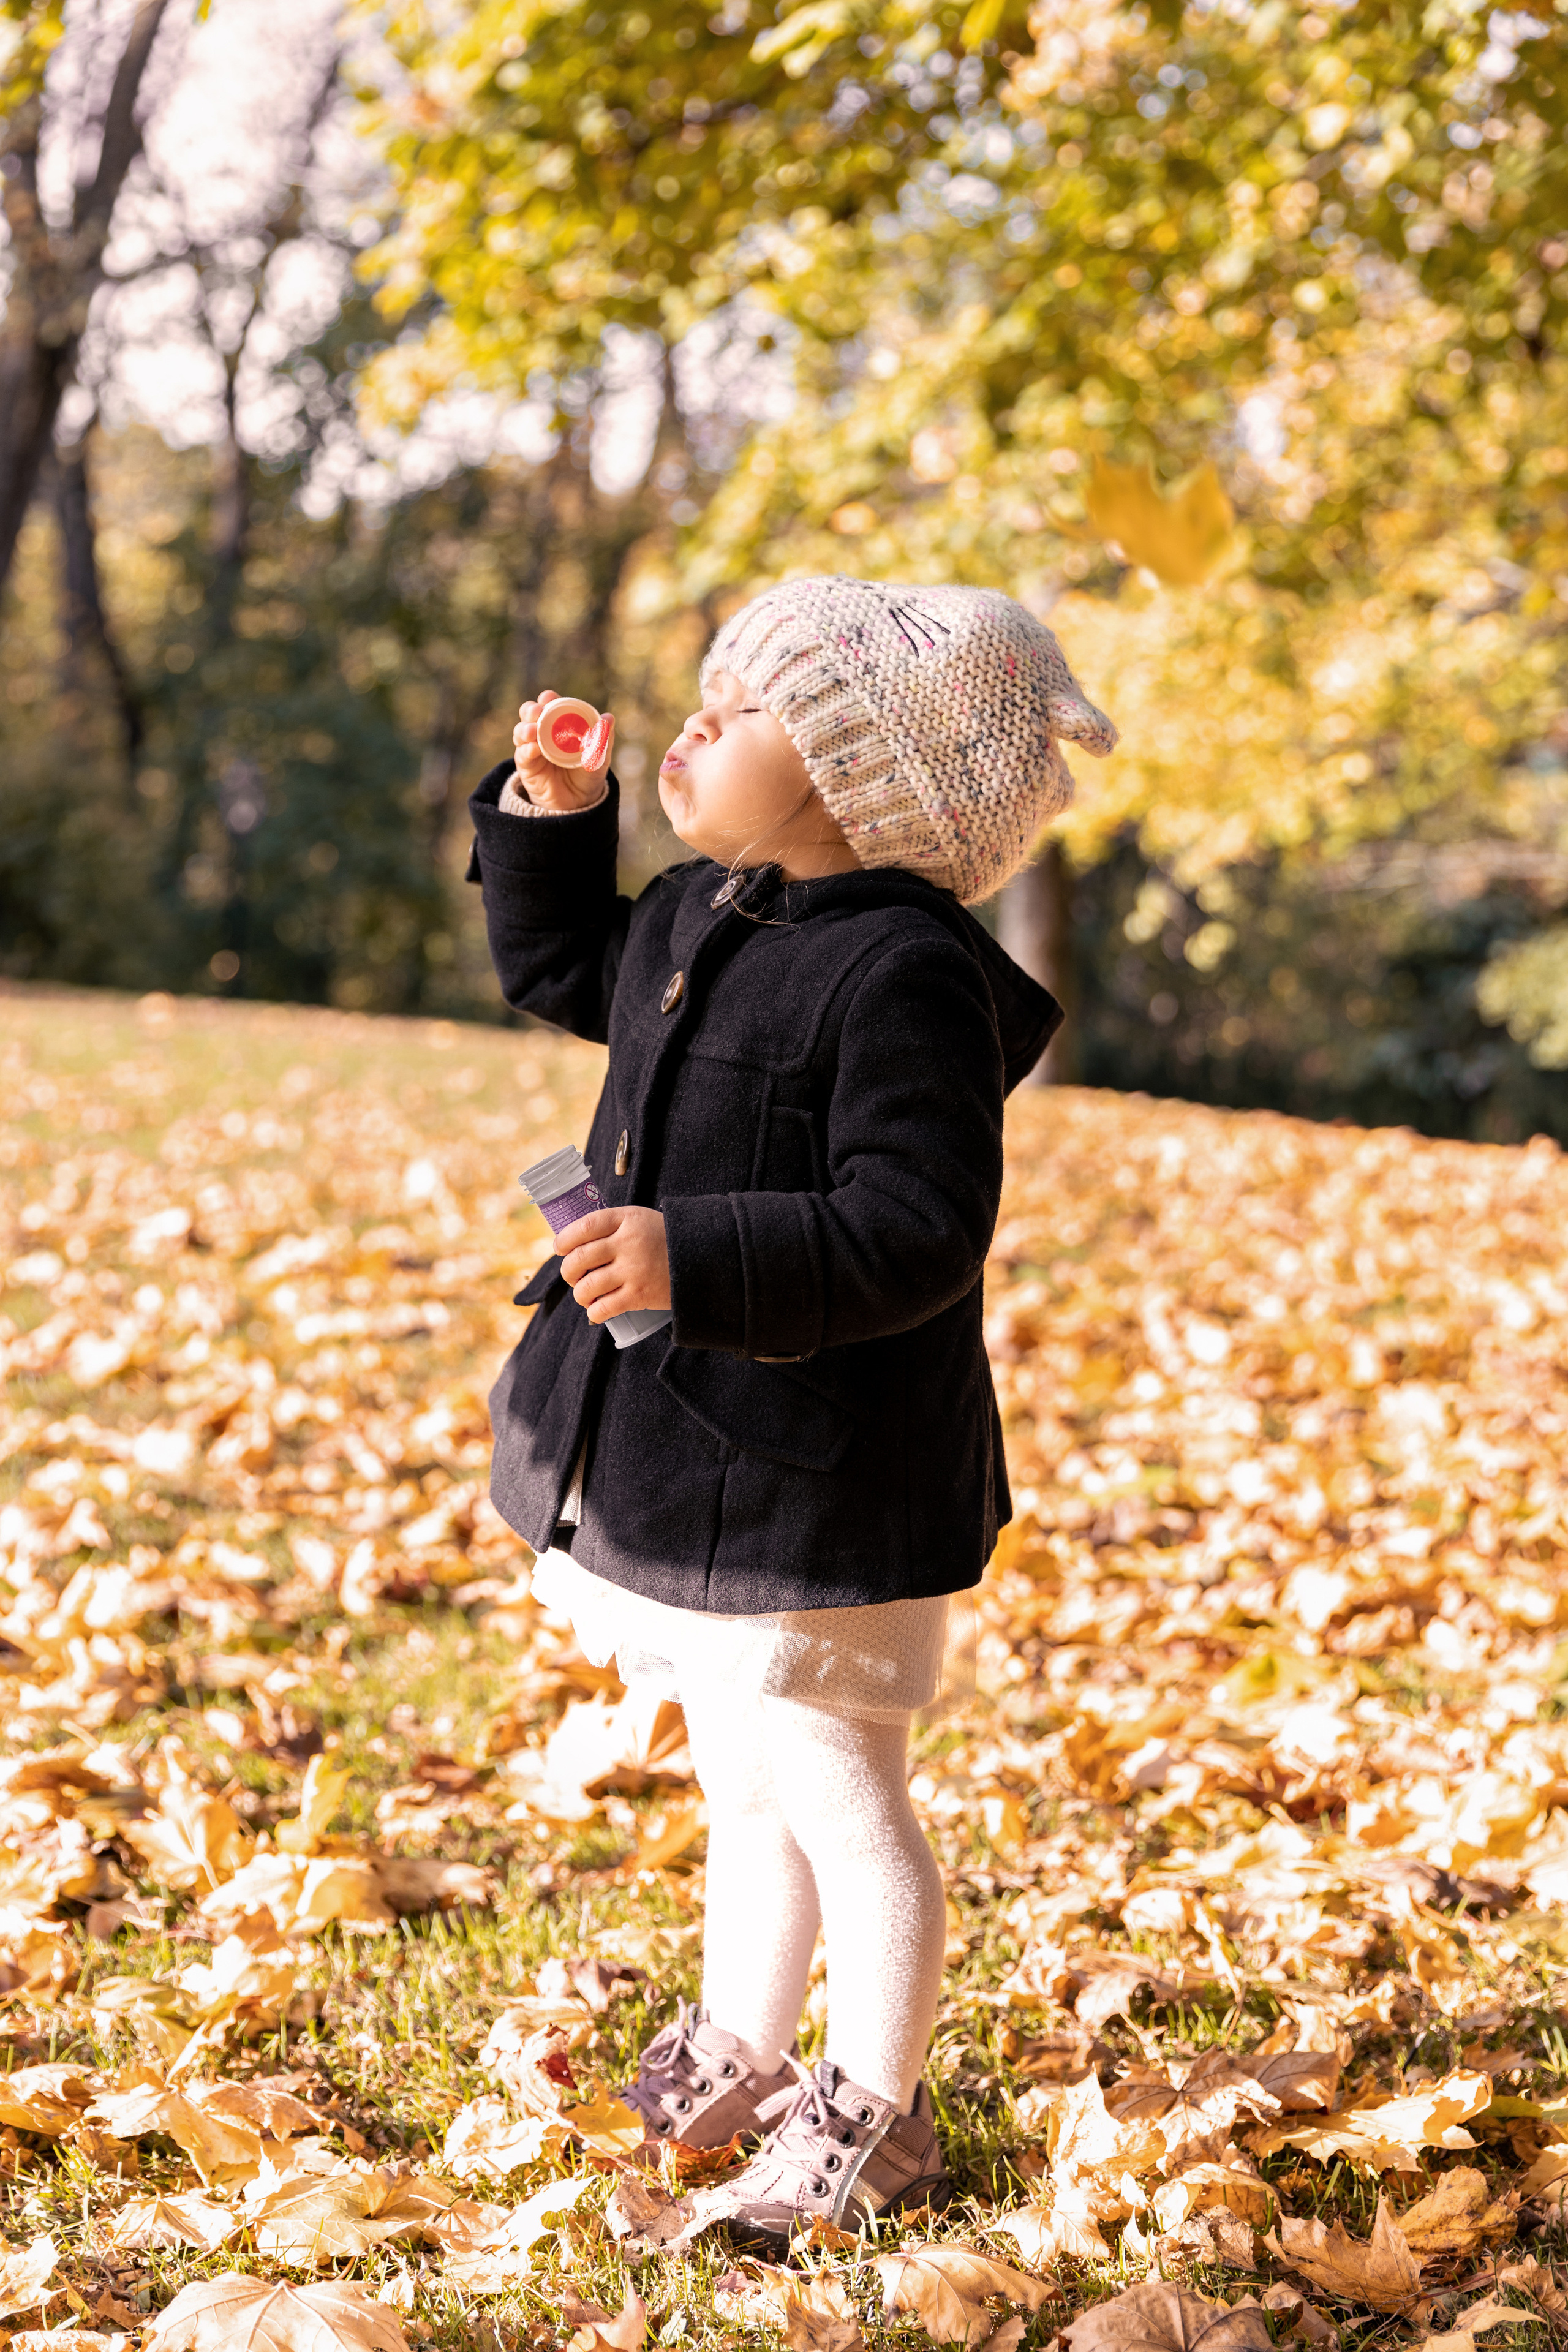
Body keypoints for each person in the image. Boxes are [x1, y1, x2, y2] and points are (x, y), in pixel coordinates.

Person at [465, 575, 1116, 2244]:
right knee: (742, 1776)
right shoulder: (700, 908)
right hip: (704, 1459)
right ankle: (748, 2046)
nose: (692, 724)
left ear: (853, 780)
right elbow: (561, 969)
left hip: (829, 1478)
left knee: (837, 1783)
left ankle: (872, 2112)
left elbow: (915, 1225)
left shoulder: (903, 976)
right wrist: (557, 812)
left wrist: (697, 1251)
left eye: (740, 710)